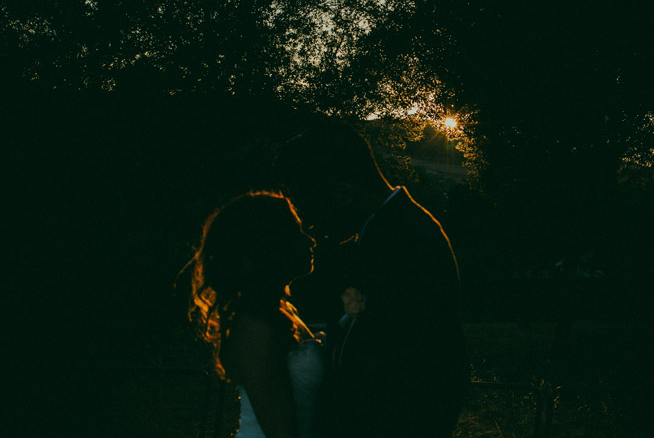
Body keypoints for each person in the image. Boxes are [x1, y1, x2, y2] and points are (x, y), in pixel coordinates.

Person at [275, 118, 468, 438]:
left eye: (306, 204)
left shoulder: (408, 241)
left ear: (344, 193)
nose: (307, 222)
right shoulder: (384, 233)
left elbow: (426, 368)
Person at [189, 191, 325, 437]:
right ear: (269, 246)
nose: (310, 241)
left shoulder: (282, 312)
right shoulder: (255, 327)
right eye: (296, 232)